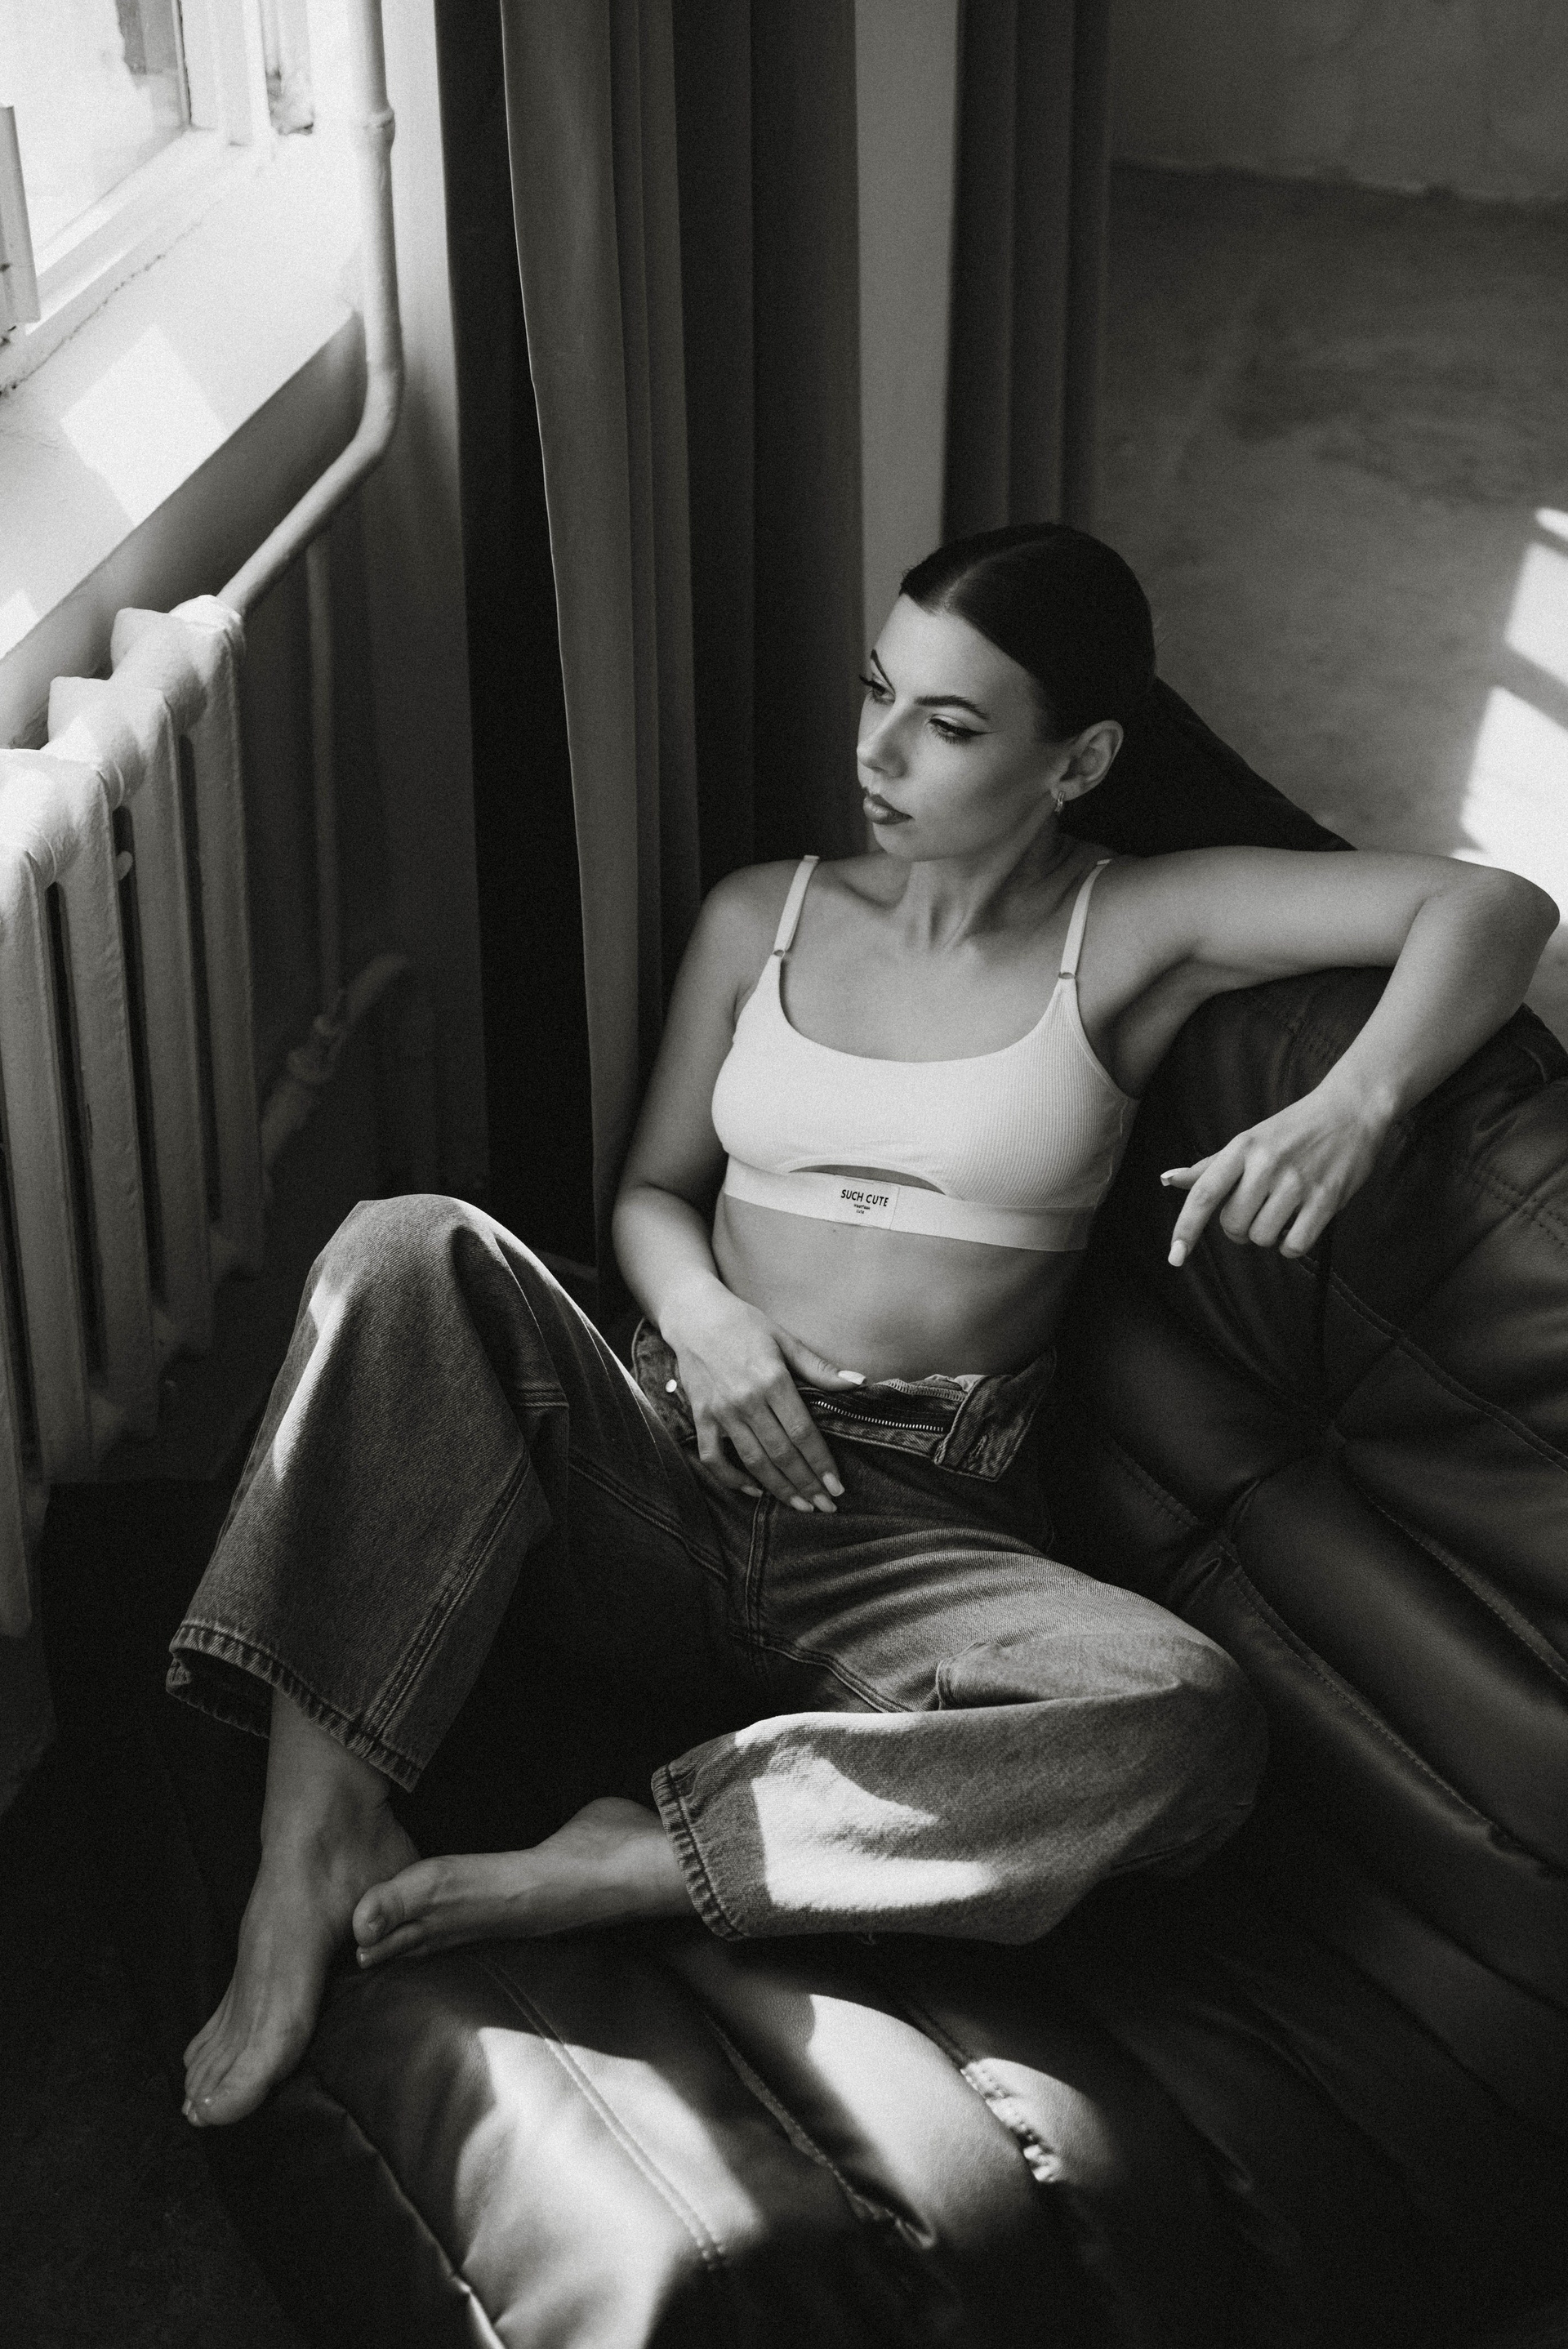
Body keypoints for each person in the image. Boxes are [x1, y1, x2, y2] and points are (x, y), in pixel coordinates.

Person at [172, 524, 1557, 2130]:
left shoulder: (1136, 928)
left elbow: (1491, 901)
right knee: (403, 1245)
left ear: (1079, 760)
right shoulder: (763, 914)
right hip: (661, 1458)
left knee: (1186, 1722)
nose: (878, 755)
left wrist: (1355, 1105)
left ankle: (659, 1851)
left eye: (949, 725)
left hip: (912, 1533)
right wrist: (701, 1312)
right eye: (876, 692)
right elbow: (654, 1191)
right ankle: (312, 1843)